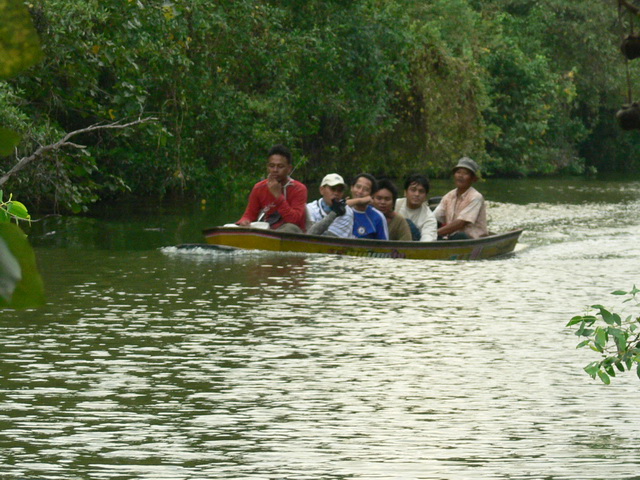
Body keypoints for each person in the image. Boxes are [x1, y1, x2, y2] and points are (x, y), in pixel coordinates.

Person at [237, 145, 308, 232]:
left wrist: (278, 196)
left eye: (280, 166)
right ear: (267, 167)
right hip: (267, 230)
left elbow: (294, 220)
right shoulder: (259, 188)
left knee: (289, 228)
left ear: (289, 169)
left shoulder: (299, 189)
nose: (275, 170)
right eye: (271, 166)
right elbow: (249, 215)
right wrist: (244, 221)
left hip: (293, 233)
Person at [434, 157, 488, 240]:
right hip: (451, 237)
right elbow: (435, 216)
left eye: (465, 173)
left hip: (470, 239)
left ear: (472, 178)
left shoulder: (476, 197)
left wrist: (434, 233)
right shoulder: (449, 196)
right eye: (458, 172)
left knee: (460, 236)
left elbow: (461, 223)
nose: (460, 176)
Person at [394, 173, 438, 241]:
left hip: (413, 246)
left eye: (421, 191)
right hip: (392, 240)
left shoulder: (429, 217)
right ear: (405, 192)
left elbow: (427, 240)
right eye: (413, 190)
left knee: (407, 223)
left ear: (426, 196)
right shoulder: (395, 205)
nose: (417, 194)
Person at [346, 173, 389, 240]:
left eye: (366, 189)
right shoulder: (343, 210)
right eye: (358, 187)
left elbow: (384, 246)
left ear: (371, 194)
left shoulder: (378, 217)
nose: (360, 191)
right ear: (351, 188)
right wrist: (359, 201)